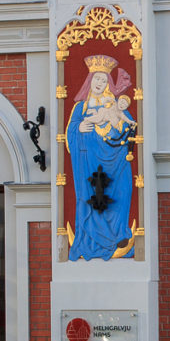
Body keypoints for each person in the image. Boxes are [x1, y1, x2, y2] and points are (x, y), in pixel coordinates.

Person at [66, 54, 136, 260]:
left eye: (104, 80)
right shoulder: (81, 107)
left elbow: (128, 127)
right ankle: (92, 238)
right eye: (96, 79)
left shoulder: (114, 104)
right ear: (90, 81)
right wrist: (78, 127)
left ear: (108, 83)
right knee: (92, 197)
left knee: (119, 193)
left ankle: (117, 236)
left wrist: (116, 125)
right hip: (88, 163)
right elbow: (70, 131)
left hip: (115, 161)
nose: (99, 83)